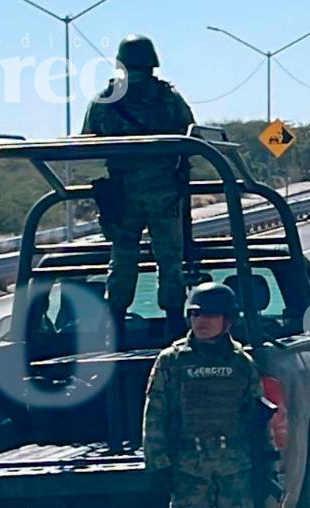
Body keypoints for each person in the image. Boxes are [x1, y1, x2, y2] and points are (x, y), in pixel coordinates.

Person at [142, 282, 282, 508]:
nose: (201, 321)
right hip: (189, 471)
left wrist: (269, 466)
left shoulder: (242, 364)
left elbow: (260, 418)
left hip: (236, 470)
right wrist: (158, 466)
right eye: (195, 314)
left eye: (210, 315)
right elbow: (155, 417)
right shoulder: (172, 361)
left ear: (228, 320)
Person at [83, 34, 197, 341]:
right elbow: (191, 135)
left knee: (122, 257)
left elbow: (87, 140)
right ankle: (174, 322)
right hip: (163, 191)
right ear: (152, 61)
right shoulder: (168, 98)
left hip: (122, 191)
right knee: (170, 259)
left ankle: (116, 324)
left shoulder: (105, 98)